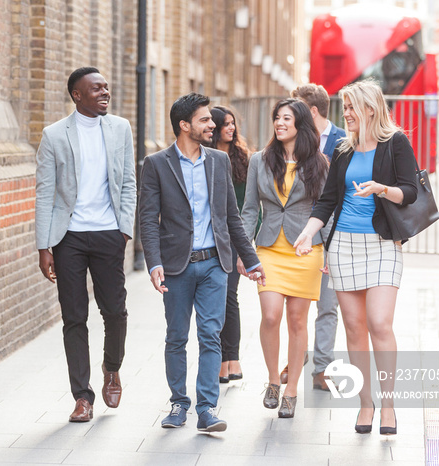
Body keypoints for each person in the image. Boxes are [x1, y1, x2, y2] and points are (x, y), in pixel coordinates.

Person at [294, 80, 418, 434]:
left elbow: (409, 191)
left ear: (370, 108)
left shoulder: (395, 143)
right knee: (354, 328)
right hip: (344, 245)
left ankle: (389, 406)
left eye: (351, 107)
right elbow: (328, 199)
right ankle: (366, 403)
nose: (345, 113)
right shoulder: (344, 150)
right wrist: (308, 233)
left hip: (381, 245)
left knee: (379, 323)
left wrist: (383, 189)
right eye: (344, 107)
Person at [139, 93, 265, 432]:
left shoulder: (218, 162)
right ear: (185, 125)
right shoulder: (156, 164)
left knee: (211, 335)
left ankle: (207, 408)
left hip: (214, 264)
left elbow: (230, 217)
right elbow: (149, 219)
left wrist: (250, 260)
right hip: (177, 266)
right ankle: (179, 404)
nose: (214, 125)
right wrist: (154, 263)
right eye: (205, 120)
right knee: (177, 336)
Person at [35, 67, 136, 423]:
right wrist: (44, 246)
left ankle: (112, 368)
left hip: (109, 234)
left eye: (106, 87)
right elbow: (45, 192)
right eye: (96, 89)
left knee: (115, 312)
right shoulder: (54, 135)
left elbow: (128, 183)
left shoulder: (120, 128)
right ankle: (82, 396)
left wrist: (124, 229)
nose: (104, 92)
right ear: (77, 95)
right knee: (74, 317)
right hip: (69, 239)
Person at [238, 98, 329, 418]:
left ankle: (292, 392)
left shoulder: (320, 163)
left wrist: (328, 250)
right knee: (272, 315)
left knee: (296, 320)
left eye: (286, 118)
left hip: (306, 251)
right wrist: (244, 250)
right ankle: (274, 381)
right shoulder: (259, 161)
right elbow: (249, 210)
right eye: (277, 117)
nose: (279, 123)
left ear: (300, 124)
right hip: (268, 250)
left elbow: (325, 211)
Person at [277, 84, 345, 391]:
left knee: (328, 303)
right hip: (298, 229)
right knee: (296, 305)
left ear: (312, 111)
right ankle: (296, 359)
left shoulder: (344, 141)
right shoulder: (291, 142)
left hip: (335, 229)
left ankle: (322, 368)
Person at [208, 106, 251, 384]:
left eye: (233, 123)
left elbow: (250, 204)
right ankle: (222, 360)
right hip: (208, 237)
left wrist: (247, 241)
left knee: (228, 296)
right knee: (216, 299)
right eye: (225, 124)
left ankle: (231, 359)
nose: (230, 128)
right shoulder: (204, 157)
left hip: (233, 237)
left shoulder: (243, 159)